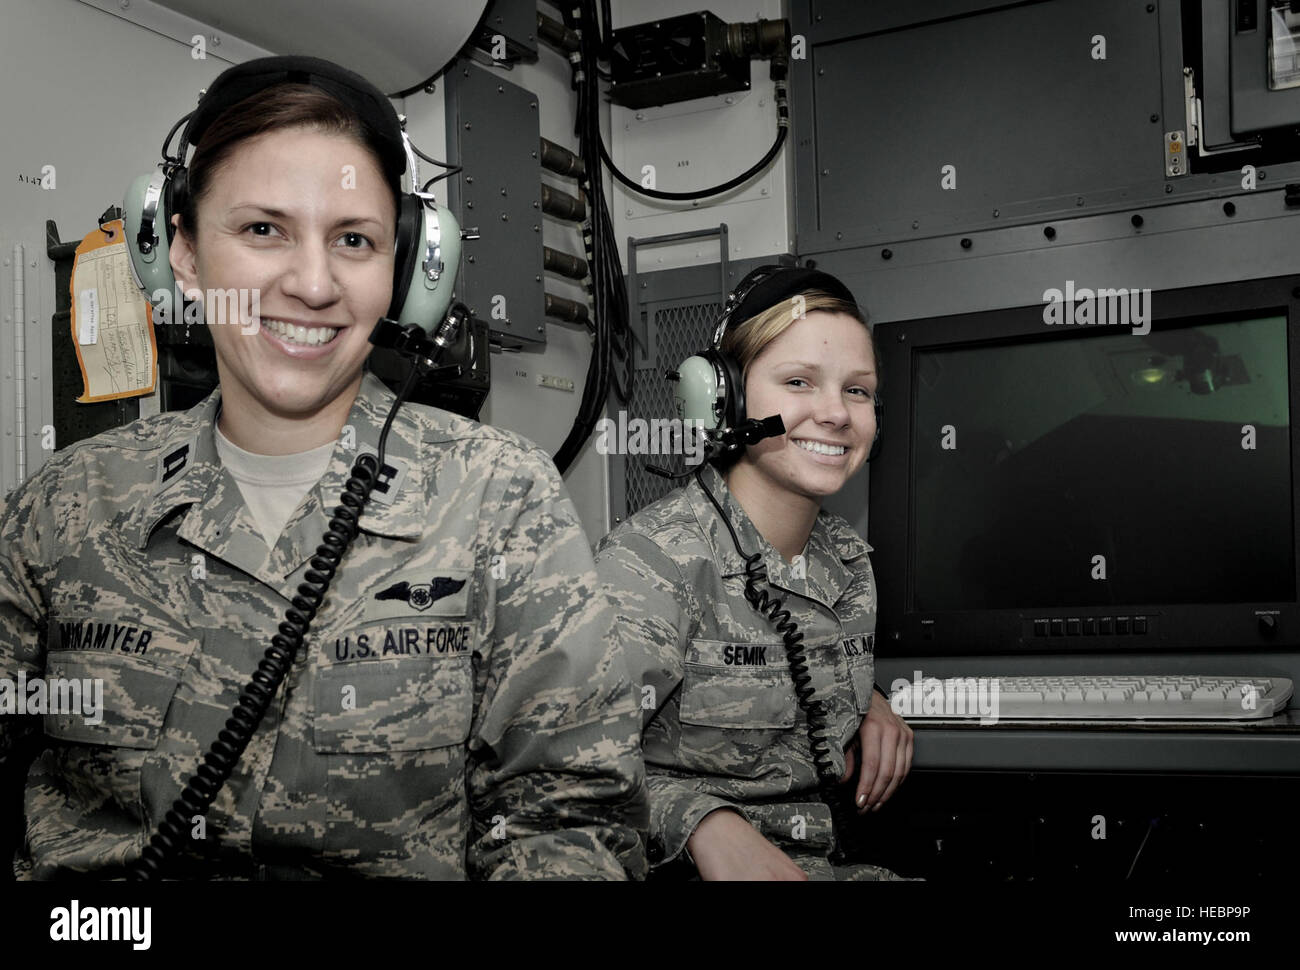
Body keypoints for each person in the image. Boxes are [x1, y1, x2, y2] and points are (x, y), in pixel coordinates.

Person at [0, 56, 647, 880]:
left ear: (408, 275)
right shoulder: (68, 502)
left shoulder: (498, 495)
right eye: (263, 229)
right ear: (184, 256)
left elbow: (572, 813)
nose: (313, 284)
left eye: (354, 240)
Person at [595, 266, 915, 880]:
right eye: (798, 381)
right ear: (725, 399)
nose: (836, 414)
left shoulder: (847, 559)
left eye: (857, 390)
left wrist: (865, 699)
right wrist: (698, 822)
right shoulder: (652, 563)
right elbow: (561, 769)